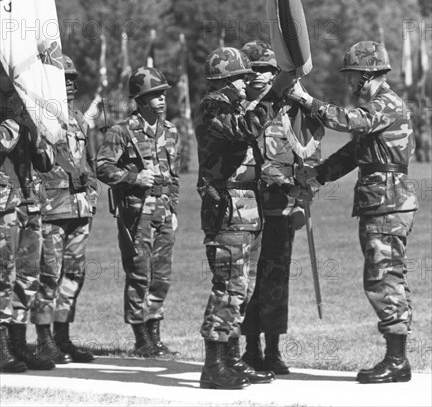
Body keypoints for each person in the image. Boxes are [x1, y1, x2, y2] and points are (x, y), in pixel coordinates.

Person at [286, 41, 418, 384]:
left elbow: (348, 122)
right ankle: (397, 357)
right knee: (387, 275)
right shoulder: (380, 108)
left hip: (386, 203)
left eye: (353, 75)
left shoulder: (386, 105)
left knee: (382, 277)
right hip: (384, 202)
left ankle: (396, 360)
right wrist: (318, 175)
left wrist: (307, 101)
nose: (349, 82)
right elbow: (351, 154)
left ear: (368, 73)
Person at [195, 47, 310, 390]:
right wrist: (275, 94)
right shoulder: (213, 106)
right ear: (225, 81)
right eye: (240, 79)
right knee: (228, 288)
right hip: (228, 207)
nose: (246, 84)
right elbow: (246, 128)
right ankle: (214, 364)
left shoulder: (233, 104)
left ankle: (233, 361)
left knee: (242, 289)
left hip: (248, 206)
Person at [240, 41, 319, 375]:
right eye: (256, 69)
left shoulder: (291, 110)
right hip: (244, 211)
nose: (263, 76)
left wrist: (303, 198)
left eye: (269, 70)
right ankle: (249, 348)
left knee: (275, 280)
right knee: (245, 280)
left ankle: (272, 348)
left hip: (280, 209)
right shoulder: (240, 110)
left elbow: (309, 158)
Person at [96, 67, 180, 358]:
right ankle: (141, 337)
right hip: (137, 213)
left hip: (164, 211)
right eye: (153, 96)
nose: (160, 100)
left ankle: (155, 334)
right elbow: (102, 167)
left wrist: (174, 208)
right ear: (140, 101)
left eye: (162, 95)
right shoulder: (121, 132)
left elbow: (174, 175)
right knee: (139, 273)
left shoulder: (170, 131)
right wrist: (134, 179)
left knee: (161, 275)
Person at [31, 56, 99, 364]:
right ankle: (44, 340)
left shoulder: (80, 118)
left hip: (79, 208)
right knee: (49, 275)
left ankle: (63, 336)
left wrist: (93, 195)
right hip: (52, 208)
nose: (70, 83)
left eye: (73, 78)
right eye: (63, 78)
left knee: (74, 275)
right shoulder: (40, 117)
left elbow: (90, 163)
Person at [0, 66, 55, 372]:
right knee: (2, 278)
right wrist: (15, 124)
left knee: (27, 277)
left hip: (29, 204)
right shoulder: (10, 115)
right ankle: (1, 346)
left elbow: (45, 164)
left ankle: (19, 343)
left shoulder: (26, 109)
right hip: (4, 207)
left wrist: (39, 132)